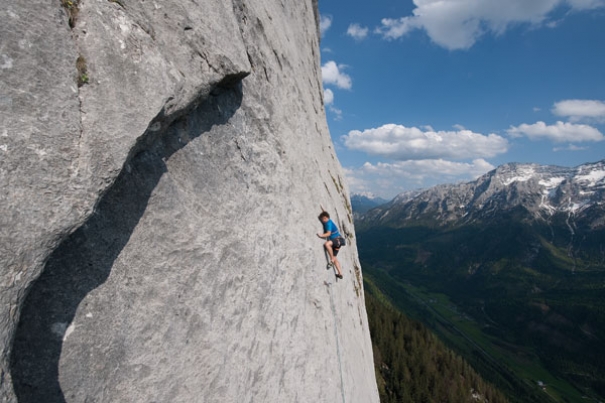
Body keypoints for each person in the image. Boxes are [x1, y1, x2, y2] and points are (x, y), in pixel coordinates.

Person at [317, 211, 344, 279]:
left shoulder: (328, 224)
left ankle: (331, 259)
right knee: (335, 258)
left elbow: (328, 234)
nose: (322, 220)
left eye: (322, 219)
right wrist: (322, 208)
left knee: (327, 244)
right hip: (338, 242)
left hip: (337, 240)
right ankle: (340, 273)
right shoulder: (329, 220)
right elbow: (325, 213)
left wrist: (321, 235)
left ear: (326, 218)